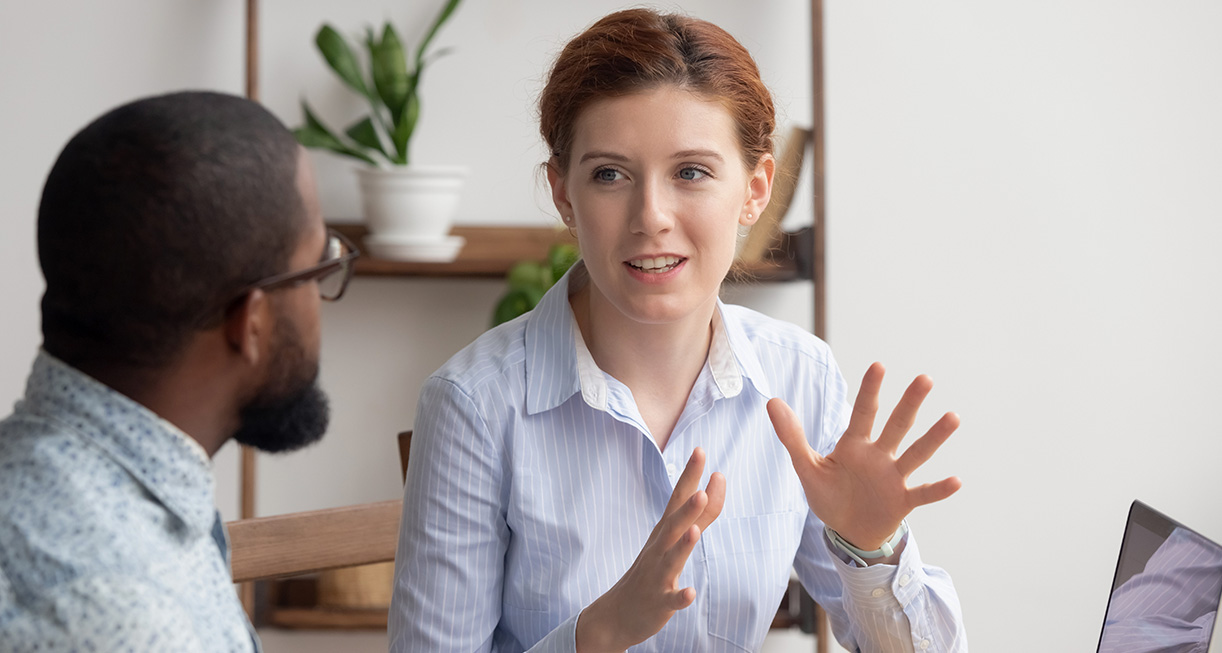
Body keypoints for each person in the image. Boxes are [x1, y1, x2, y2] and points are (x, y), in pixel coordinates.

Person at [391, 8, 967, 652]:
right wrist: (598, 634)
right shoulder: (474, 404)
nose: (652, 217)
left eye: (691, 172)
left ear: (754, 190)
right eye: (610, 174)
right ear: (563, 194)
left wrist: (874, 553)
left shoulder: (799, 377)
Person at [0, 91, 358, 652]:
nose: (322, 297)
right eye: (318, 266)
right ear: (253, 322)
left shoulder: (59, 485)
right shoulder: (126, 616)